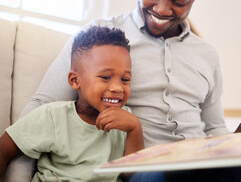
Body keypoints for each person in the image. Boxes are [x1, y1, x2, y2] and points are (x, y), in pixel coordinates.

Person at [3, 0, 241, 181]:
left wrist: (240, 136)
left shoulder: (207, 54)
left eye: (180, 0)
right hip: (146, 167)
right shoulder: (101, 42)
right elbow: (41, 109)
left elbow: (213, 129)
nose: (162, 9)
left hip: (203, 160)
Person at [0, 26, 144, 182]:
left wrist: (134, 129)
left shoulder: (127, 122)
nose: (117, 88)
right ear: (75, 80)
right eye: (105, 77)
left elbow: (133, 174)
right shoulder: (53, 116)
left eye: (125, 80)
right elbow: (3, 149)